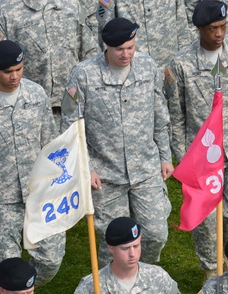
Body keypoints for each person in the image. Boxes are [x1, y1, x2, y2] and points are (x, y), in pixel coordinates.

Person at [62, 18, 172, 264]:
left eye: (131, 47)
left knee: (155, 233)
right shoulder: (84, 75)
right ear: (106, 47)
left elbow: (160, 114)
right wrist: (85, 167)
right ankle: (109, 289)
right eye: (120, 49)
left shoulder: (147, 66)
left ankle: (142, 277)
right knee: (112, 241)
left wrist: (165, 157)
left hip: (145, 168)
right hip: (105, 174)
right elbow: (71, 125)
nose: (126, 54)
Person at [166, 0, 228, 275]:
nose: (219, 34)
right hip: (200, 153)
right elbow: (175, 116)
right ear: (199, 29)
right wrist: (184, 157)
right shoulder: (181, 64)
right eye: (212, 29)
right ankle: (211, 269)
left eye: (222, 26)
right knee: (207, 220)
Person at [0, 39, 63, 292]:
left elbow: (50, 142)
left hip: (39, 193)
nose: (14, 76)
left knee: (51, 259)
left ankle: (22, 293)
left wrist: (58, 184)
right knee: (5, 267)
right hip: (1, 202)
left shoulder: (36, 95)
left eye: (19, 69)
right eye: (8, 72)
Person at [0, 0, 96, 120]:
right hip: (27, 111)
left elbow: (90, 54)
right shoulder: (4, 11)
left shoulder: (72, 5)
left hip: (73, 105)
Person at [95, 0, 191, 68]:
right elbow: (105, 32)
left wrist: (185, 62)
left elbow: (182, 28)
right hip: (132, 71)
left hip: (168, 66)